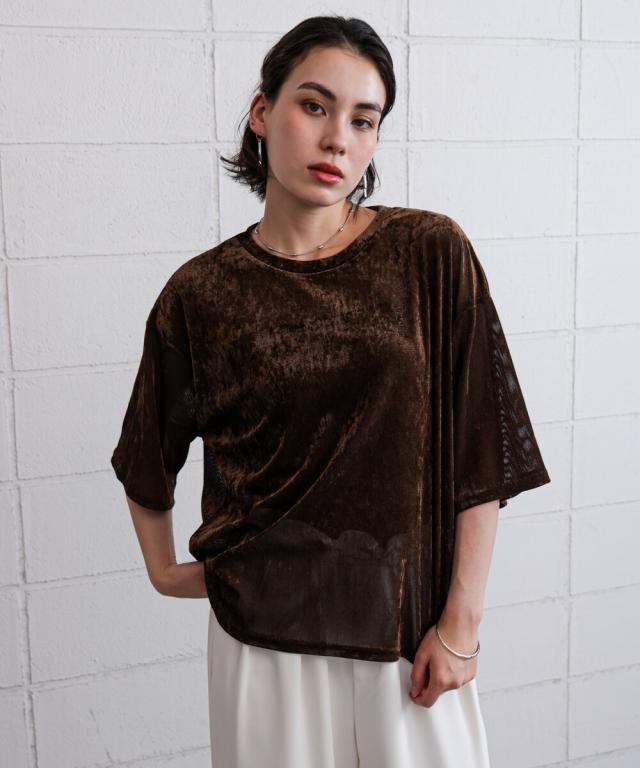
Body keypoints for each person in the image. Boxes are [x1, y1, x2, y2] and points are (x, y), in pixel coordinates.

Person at [111, 15, 551, 768]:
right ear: (262, 112)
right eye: (314, 106)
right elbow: (147, 451)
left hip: (408, 637)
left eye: (363, 119)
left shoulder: (430, 253)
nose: (337, 139)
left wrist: (462, 625)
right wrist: (163, 571)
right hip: (262, 643)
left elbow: (482, 447)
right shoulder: (201, 293)